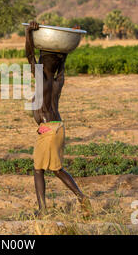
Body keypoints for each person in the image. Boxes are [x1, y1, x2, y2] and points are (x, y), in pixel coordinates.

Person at [25, 21, 91, 216]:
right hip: (58, 127)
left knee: (38, 169)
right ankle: (81, 198)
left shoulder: (42, 79)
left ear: (42, 64)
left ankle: (43, 209)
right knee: (57, 169)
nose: (37, 62)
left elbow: (29, 55)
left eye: (41, 59)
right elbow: (62, 59)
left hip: (48, 130)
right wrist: (69, 44)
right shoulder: (57, 80)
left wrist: (28, 32)